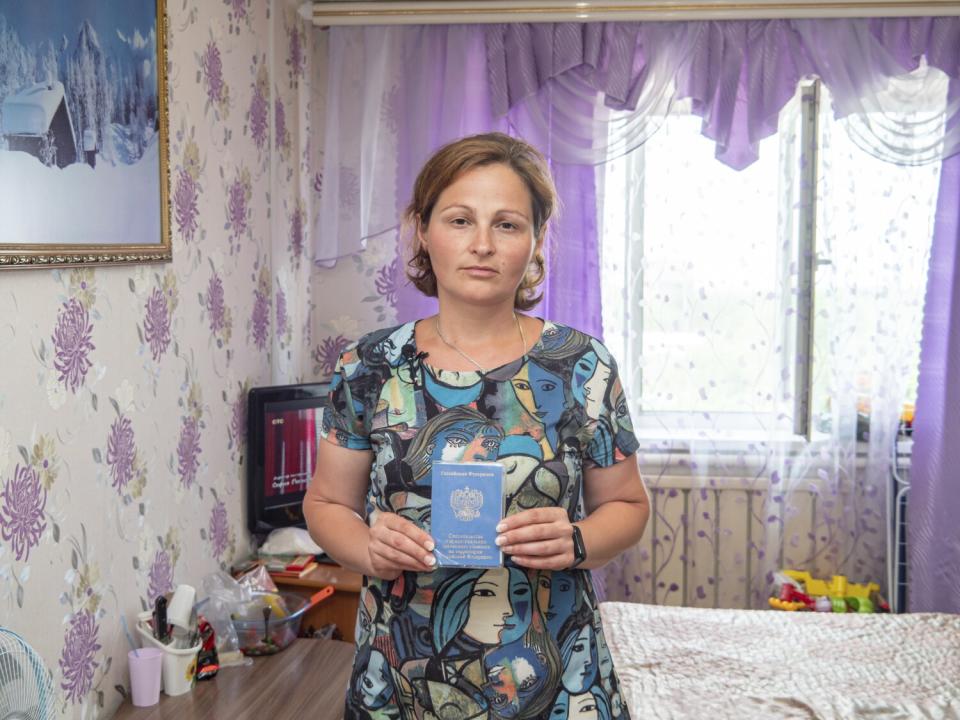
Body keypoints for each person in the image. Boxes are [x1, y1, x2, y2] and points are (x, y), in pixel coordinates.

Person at [303, 132, 649, 719]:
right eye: (460, 220)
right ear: (423, 230)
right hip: (402, 675)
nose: (482, 244)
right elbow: (325, 503)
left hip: (556, 678)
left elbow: (630, 506)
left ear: (536, 241)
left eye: (508, 225)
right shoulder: (367, 366)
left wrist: (577, 539)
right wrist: (367, 547)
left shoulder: (582, 365)